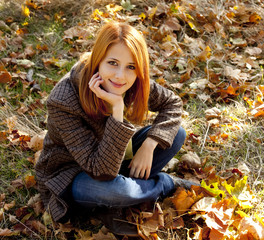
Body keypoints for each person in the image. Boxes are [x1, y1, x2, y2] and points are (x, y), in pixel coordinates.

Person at [34, 21, 197, 236]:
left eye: (131, 66)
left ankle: (123, 199)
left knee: (176, 133)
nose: (121, 76)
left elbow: (173, 104)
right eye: (112, 63)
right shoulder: (64, 100)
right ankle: (164, 184)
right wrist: (117, 108)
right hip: (74, 175)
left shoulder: (132, 81)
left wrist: (149, 144)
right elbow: (100, 172)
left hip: (114, 157)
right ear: (97, 60)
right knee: (116, 189)